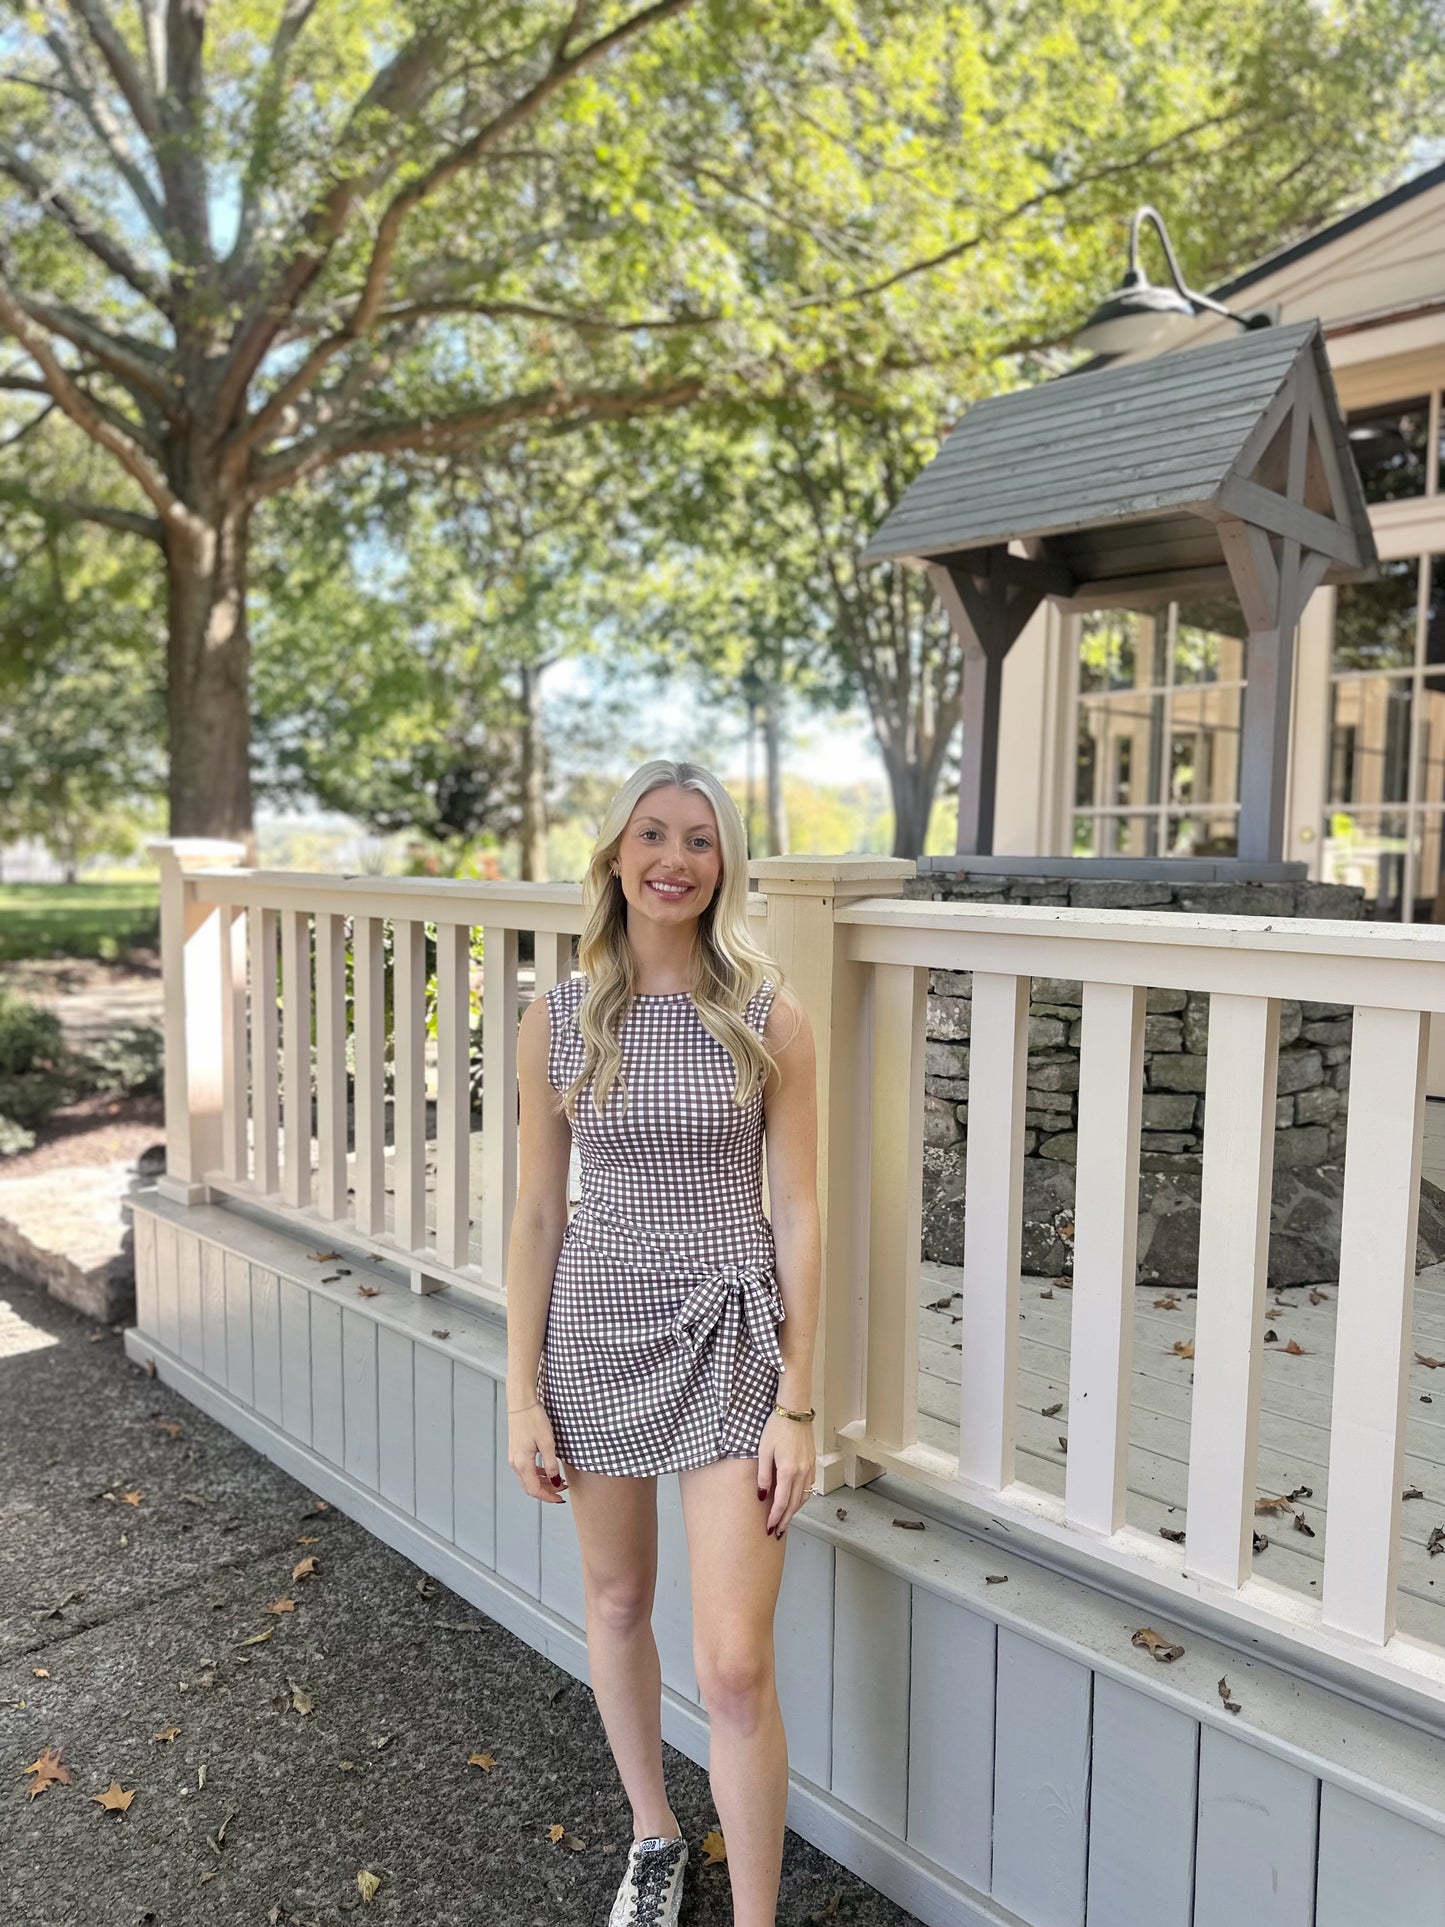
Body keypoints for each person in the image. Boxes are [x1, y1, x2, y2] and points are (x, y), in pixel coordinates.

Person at [504, 758, 820, 1927]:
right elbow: (538, 1214)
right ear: (615, 856)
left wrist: (797, 1398)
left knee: (734, 1661)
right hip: (593, 1326)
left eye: (698, 839)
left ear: (723, 863)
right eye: (652, 834)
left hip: (734, 1336)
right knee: (619, 1595)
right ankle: (652, 1832)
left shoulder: (766, 1014)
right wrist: (519, 1392)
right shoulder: (557, 1017)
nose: (673, 858)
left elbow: (797, 1212)